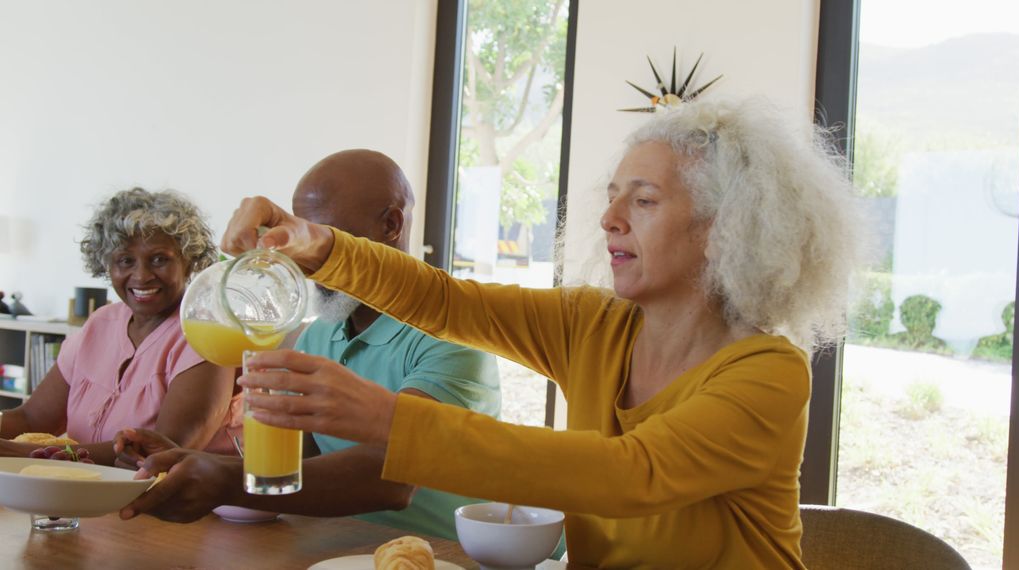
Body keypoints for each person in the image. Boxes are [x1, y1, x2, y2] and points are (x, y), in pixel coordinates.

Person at [131, 99, 862, 568]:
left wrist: (390, 418)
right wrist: (316, 244)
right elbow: (448, 301)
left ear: (727, 231)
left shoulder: (768, 372)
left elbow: (626, 476)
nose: (609, 220)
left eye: (642, 201)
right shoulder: (595, 324)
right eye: (611, 198)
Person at [116, 150, 501, 541]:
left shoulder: (452, 340)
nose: (302, 258)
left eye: (321, 237)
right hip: (341, 549)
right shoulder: (320, 334)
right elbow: (297, 464)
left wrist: (226, 480)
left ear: (390, 224)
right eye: (297, 238)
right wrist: (188, 462)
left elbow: (393, 477)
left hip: (445, 557)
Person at [0, 188, 240, 464]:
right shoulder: (99, 324)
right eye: (125, 261)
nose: (141, 276)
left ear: (188, 261)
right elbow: (32, 418)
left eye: (159, 259)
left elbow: (161, 453)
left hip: (175, 502)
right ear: (107, 266)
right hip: (84, 491)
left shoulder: (209, 335)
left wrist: (23, 454)